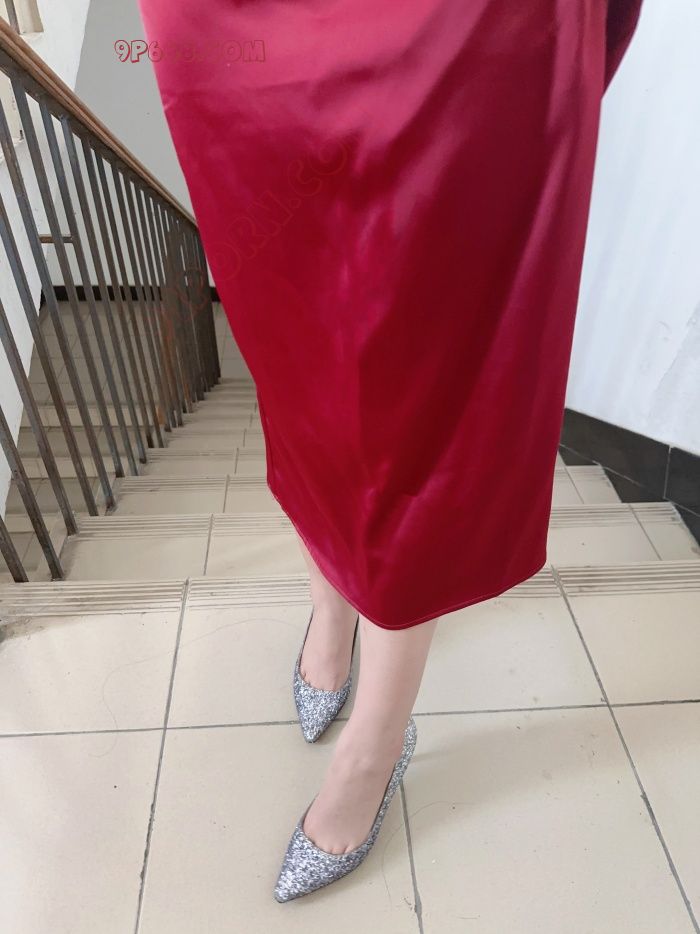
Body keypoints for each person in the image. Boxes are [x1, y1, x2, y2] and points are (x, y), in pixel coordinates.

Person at [137, 0, 644, 901]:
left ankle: (375, 745)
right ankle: (330, 613)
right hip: (254, 40)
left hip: (457, 29)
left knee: (421, 402)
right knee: (300, 364)